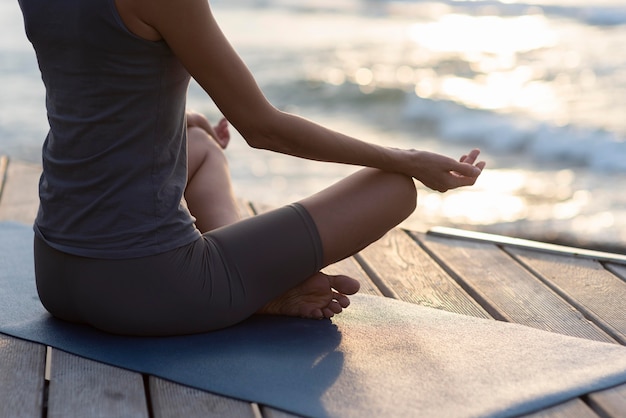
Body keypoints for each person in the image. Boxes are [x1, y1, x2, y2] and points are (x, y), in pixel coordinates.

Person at [18, 0, 486, 336]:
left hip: (56, 275)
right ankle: (256, 287)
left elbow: (87, 89)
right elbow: (265, 129)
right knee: (395, 186)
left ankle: (251, 282)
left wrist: (172, 124)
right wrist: (407, 159)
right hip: (147, 289)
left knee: (199, 142)